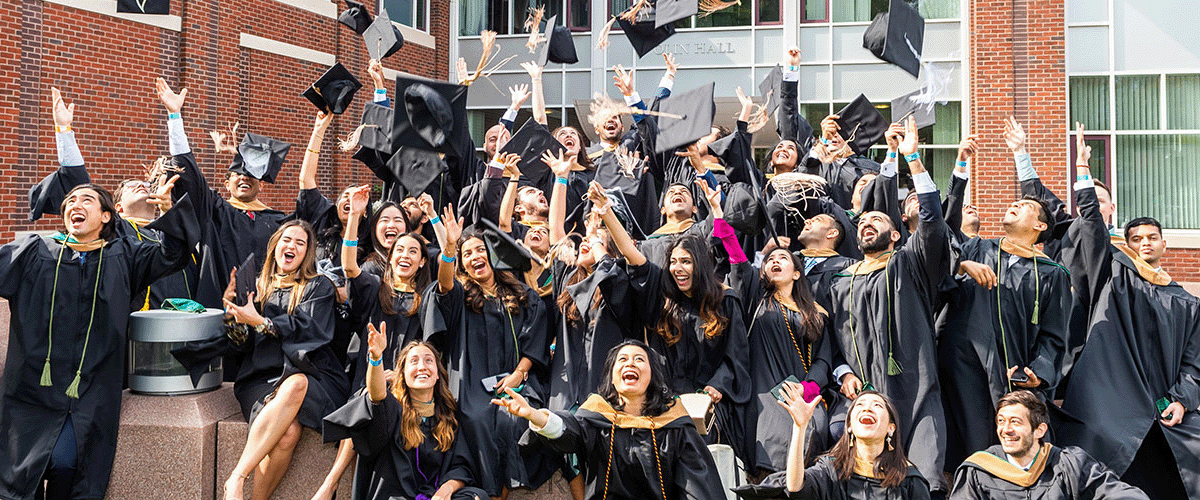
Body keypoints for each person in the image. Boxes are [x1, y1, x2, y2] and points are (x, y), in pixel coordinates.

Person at [0, 88, 197, 500]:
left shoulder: (124, 255)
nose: (76, 203)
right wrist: (64, 131)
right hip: (31, 391)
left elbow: (174, 253)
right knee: (21, 479)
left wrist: (167, 208)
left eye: (87, 199)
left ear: (107, 216)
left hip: (89, 391)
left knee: (71, 467)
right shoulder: (35, 251)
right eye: (70, 200)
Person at [1056, 134, 1200, 499]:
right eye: (1137, 238)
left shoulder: (1186, 301)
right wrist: (1083, 169)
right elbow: (1091, 225)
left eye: (1153, 237)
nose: (1145, 243)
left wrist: (1182, 400)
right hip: (1111, 408)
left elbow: (1194, 363)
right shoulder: (1114, 274)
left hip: (1162, 414)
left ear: (1164, 244)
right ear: (1127, 243)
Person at [828, 117, 952, 495]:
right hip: (865, 391)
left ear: (896, 234)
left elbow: (932, 223)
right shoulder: (841, 282)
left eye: (878, 219)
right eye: (863, 220)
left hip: (916, 386)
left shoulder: (908, 262)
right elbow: (833, 340)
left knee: (924, 478)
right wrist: (843, 372)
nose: (867, 223)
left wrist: (911, 157)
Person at [937, 134, 1072, 469]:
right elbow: (941, 240)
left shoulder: (1052, 273)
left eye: (1025, 205)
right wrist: (960, 264)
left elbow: (1055, 336)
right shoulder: (976, 249)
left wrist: (1037, 373)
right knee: (961, 446)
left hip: (1010, 372)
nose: (1014, 204)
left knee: (1007, 450)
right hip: (959, 364)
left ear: (1040, 225)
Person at [593, 179, 751, 459]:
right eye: (674, 262)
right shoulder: (660, 294)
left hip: (712, 404)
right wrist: (606, 210)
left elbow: (735, 355)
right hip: (664, 401)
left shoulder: (724, 301)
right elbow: (631, 254)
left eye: (686, 262)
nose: (678, 268)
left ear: (701, 266)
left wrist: (717, 386)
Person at [423, 205, 554, 498]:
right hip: (472, 384)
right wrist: (449, 247)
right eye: (467, 254)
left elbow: (535, 339)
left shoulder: (523, 294)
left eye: (479, 250)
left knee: (514, 418)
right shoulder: (461, 296)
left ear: (491, 254)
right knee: (477, 417)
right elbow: (444, 286)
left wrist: (519, 374)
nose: (474, 257)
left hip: (517, 379)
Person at [311, 186, 434, 500]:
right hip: (372, 372)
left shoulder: (428, 296)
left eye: (412, 252)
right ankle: (330, 483)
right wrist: (354, 216)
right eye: (399, 252)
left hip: (410, 379)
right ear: (389, 258)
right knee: (367, 401)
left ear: (421, 261)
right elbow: (350, 265)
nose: (404, 256)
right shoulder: (375, 287)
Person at [499, 340, 726, 500]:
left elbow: (697, 486)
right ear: (613, 377)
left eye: (639, 359)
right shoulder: (597, 418)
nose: (630, 364)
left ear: (652, 375)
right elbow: (568, 430)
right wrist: (533, 414)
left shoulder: (675, 425)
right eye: (623, 360)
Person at [221, 221, 350, 500]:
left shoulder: (318, 287)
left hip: (313, 375)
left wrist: (264, 322)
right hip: (260, 378)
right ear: (275, 246)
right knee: (289, 432)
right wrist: (234, 319)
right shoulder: (256, 286)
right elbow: (241, 345)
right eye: (286, 240)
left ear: (307, 253)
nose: (291, 246)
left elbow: (310, 329)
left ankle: (236, 478)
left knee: (295, 384)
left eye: (300, 243)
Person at [159, 79, 289, 310]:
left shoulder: (279, 221)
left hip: (268, 308)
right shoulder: (215, 211)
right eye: (236, 175)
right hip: (219, 307)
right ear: (225, 183)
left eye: (250, 175)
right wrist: (175, 117)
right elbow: (191, 178)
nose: (243, 178)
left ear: (261, 184)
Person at [322, 332, 489, 500]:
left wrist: (446, 490)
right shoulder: (393, 410)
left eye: (429, 360)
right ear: (401, 374)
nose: (422, 367)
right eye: (414, 361)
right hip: (394, 497)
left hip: (433, 495)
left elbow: (460, 467)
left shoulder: (447, 416)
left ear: (438, 373)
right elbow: (376, 395)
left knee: (476, 496)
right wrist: (376, 358)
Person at [730, 245, 834, 476]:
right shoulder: (755, 301)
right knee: (769, 453)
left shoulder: (816, 313)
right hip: (763, 394)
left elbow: (823, 359)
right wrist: (718, 213)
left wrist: (807, 387)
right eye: (769, 260)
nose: (775, 261)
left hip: (800, 392)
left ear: (797, 273)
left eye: (783, 258)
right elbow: (738, 262)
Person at [949, 391, 1148, 500]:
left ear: (1040, 430)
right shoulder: (979, 472)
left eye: (1015, 422)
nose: (1005, 429)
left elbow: (1118, 493)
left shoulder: (1068, 464)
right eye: (1001, 421)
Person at [736, 389, 929, 499]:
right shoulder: (832, 469)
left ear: (891, 428)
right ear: (850, 427)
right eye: (860, 405)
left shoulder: (909, 480)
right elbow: (796, 487)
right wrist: (799, 427)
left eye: (877, 405)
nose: (867, 408)